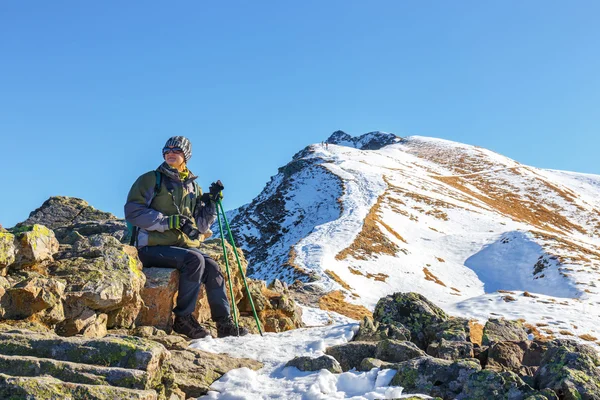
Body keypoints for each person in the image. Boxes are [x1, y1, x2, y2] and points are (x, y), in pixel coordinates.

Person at [124, 136, 248, 339]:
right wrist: (169, 221)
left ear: (186, 156)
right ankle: (183, 319)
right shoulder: (151, 179)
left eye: (177, 150)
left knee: (213, 267)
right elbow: (133, 211)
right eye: (167, 149)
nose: (171, 153)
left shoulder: (193, 187)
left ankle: (224, 323)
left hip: (180, 247)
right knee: (195, 259)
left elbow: (201, 225)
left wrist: (211, 205)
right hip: (150, 247)